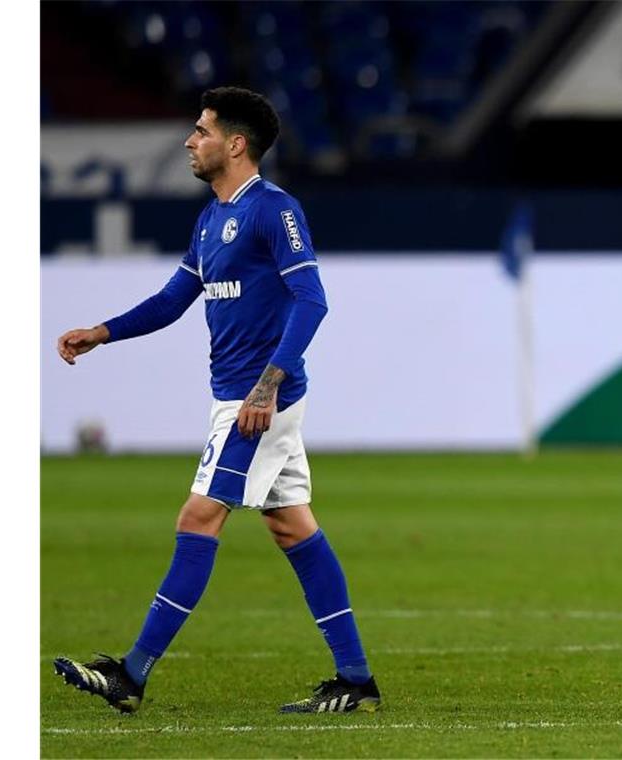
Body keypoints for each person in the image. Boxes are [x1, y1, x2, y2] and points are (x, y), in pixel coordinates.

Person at [52, 87, 381, 715]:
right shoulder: (210, 219)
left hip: (258, 402)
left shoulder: (274, 210)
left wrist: (268, 383)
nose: (189, 140)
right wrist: (103, 332)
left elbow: (312, 300)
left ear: (235, 144)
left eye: (201, 130)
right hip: (236, 397)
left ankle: (131, 674)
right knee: (291, 525)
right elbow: (172, 299)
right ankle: (356, 680)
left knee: (197, 518)